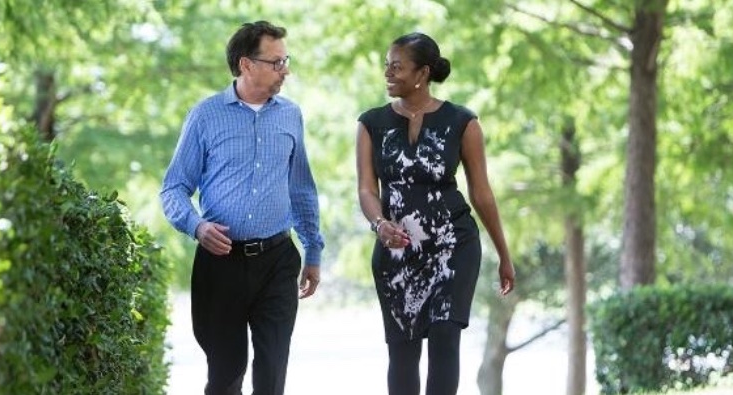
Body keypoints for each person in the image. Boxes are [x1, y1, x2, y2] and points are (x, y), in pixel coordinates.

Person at [160, 20, 324, 395]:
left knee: (271, 374)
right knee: (225, 374)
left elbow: (302, 187)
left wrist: (313, 249)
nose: (286, 70)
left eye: (286, 61)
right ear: (246, 64)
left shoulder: (290, 115)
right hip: (221, 263)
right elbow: (173, 188)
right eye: (277, 62)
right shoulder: (205, 115)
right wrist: (197, 227)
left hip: (278, 259)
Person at [355, 32, 516, 395]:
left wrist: (504, 255)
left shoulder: (463, 122)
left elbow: (482, 194)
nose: (388, 73)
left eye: (397, 66)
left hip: (453, 245)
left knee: (445, 337)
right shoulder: (370, 124)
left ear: (422, 73)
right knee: (403, 353)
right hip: (395, 251)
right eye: (386, 65)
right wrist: (379, 224)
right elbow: (367, 189)